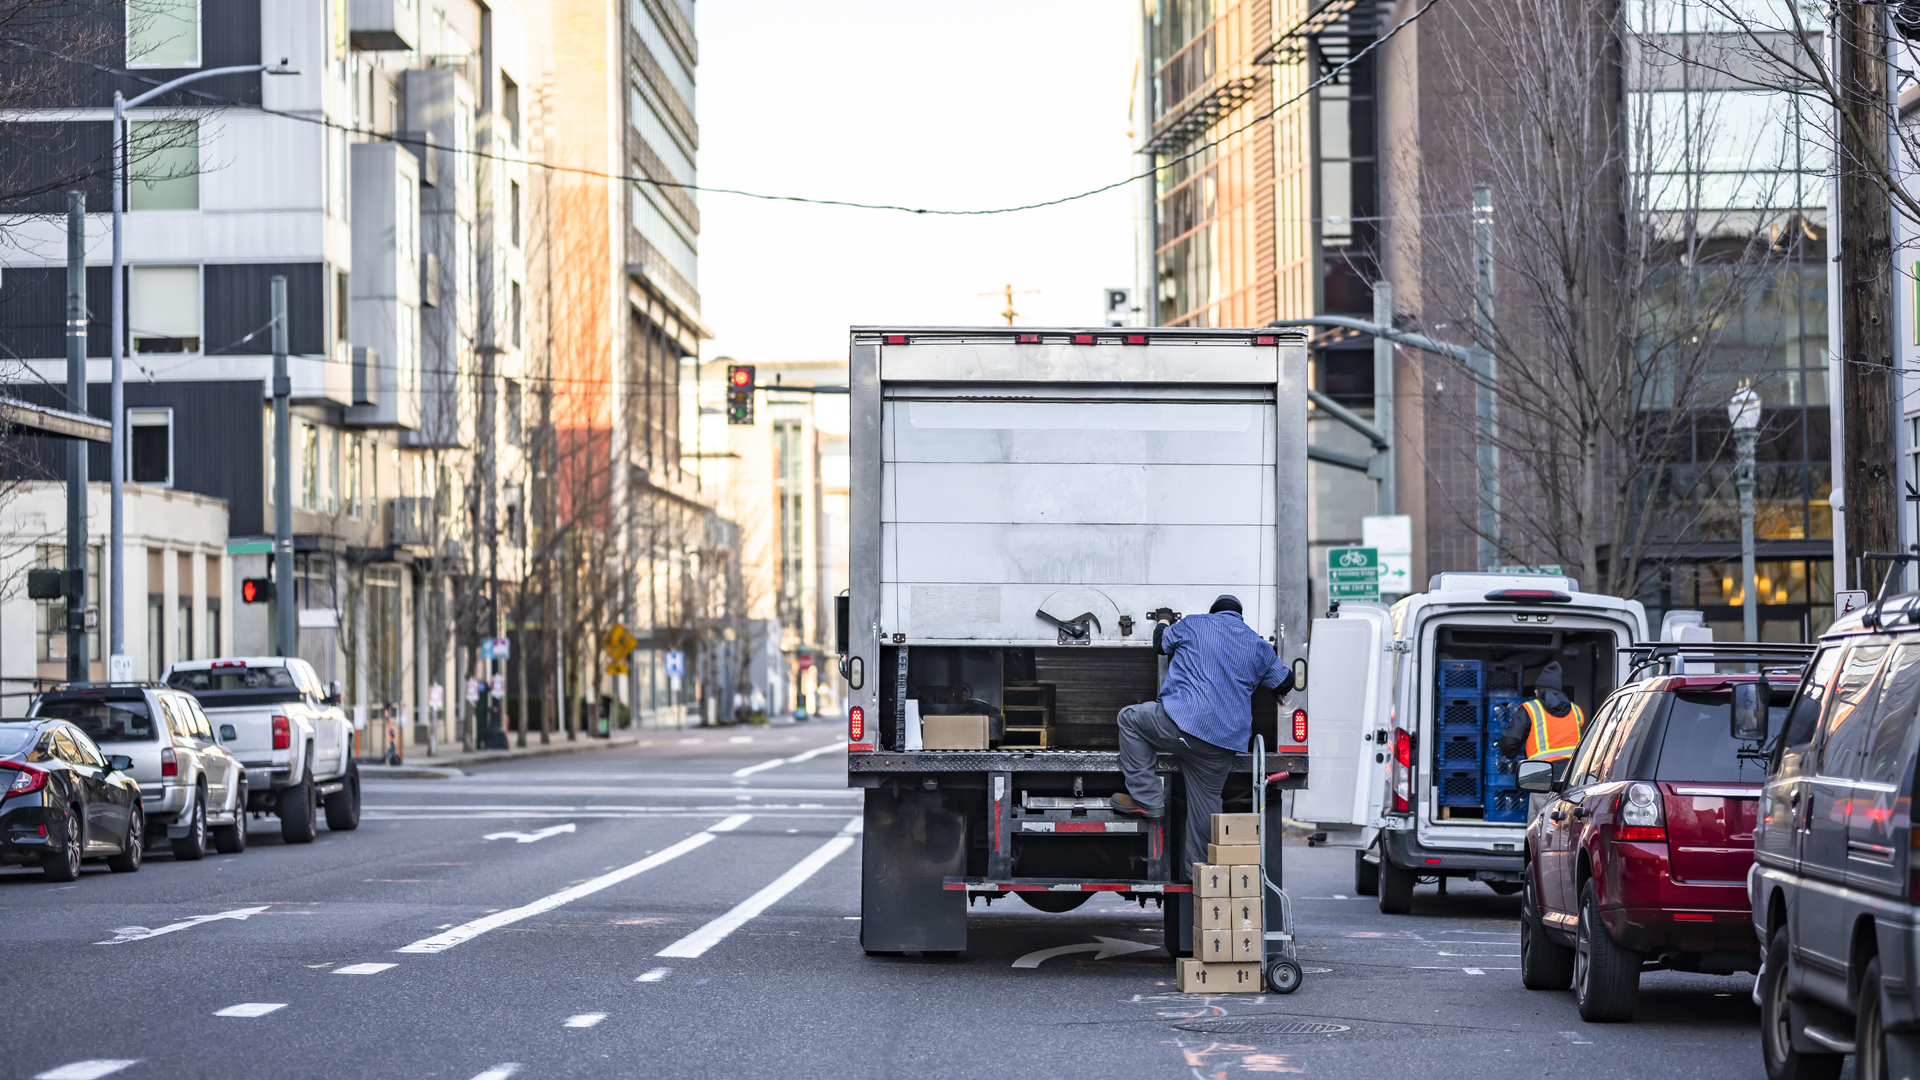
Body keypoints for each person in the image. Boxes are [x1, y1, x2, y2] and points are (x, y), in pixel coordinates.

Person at [1110, 595, 1296, 878]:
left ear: (1214, 613)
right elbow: (1286, 682)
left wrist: (1163, 618)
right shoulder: (1258, 645)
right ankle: (1203, 884)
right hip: (1223, 744)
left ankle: (1148, 798)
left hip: (1181, 724)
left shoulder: (1195, 624)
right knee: (1206, 808)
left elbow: (1160, 644)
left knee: (1129, 719)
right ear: (1240, 618)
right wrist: (1272, 687)